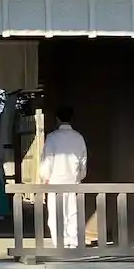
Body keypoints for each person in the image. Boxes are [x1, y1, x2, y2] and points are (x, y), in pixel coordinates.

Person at [39, 105, 88, 249]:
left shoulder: (52, 138)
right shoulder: (78, 137)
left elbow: (48, 160)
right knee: (72, 211)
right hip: (73, 180)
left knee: (56, 213)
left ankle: (59, 242)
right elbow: (83, 161)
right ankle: (73, 241)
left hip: (55, 180)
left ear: (57, 119)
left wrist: (45, 176)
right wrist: (80, 176)